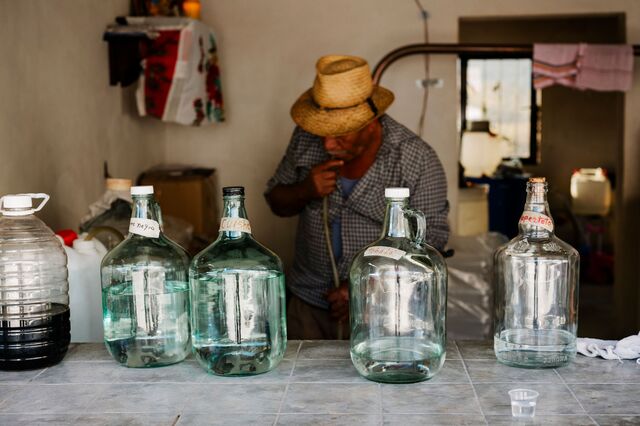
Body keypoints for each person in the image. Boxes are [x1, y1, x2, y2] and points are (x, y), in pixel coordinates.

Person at [265, 55, 449, 339]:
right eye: (322, 132)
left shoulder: (417, 159)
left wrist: (365, 285)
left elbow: (431, 241)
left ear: (370, 121)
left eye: (339, 134)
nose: (327, 143)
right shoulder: (305, 138)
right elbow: (276, 201)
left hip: (386, 308)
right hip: (308, 304)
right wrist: (305, 190)